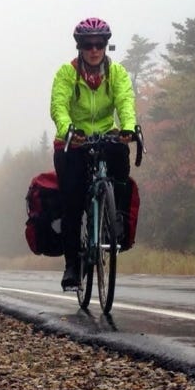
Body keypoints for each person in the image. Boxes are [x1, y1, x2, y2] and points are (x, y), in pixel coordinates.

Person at [50, 17, 137, 290]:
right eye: (88, 44)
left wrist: (129, 127)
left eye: (100, 44)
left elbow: (125, 101)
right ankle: (72, 267)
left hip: (105, 134)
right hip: (73, 142)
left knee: (121, 158)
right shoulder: (67, 73)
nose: (94, 49)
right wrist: (67, 130)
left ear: (105, 45)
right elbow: (58, 106)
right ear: (80, 47)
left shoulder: (116, 73)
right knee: (72, 202)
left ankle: (117, 218)